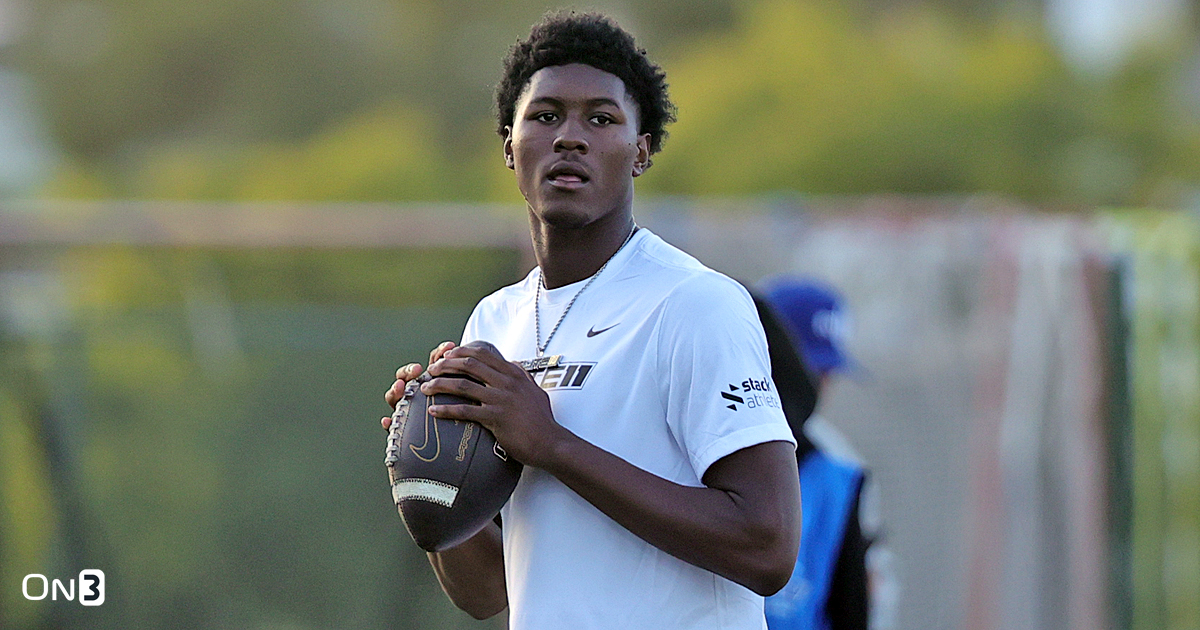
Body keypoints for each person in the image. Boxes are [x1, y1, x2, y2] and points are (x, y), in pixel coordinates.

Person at [380, 12, 801, 630]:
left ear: (641, 151)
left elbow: (767, 547)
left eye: (601, 119)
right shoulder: (494, 321)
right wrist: (424, 480)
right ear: (508, 144)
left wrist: (552, 444)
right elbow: (488, 593)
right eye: (545, 116)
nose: (570, 137)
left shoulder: (695, 303)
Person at [757, 277, 898, 630]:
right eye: (805, 370)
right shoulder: (694, 445)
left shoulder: (840, 475)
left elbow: (859, 605)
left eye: (826, 374)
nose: (818, 388)